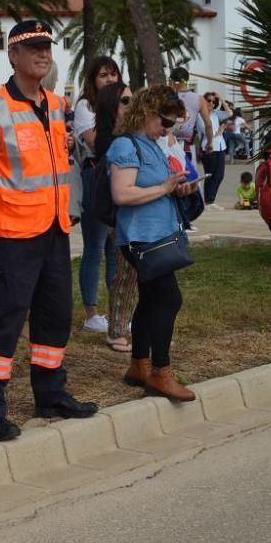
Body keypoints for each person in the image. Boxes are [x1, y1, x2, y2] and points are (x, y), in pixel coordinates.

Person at [0, 20, 99, 441]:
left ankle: (50, 394)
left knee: (54, 318)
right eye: (33, 47)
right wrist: (13, 202)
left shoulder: (56, 105)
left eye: (47, 47)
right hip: (11, 235)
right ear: (13, 55)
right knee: (3, 321)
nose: (43, 53)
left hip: (54, 230)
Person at [107, 85, 196, 402]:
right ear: (147, 112)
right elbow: (122, 194)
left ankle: (139, 365)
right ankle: (160, 371)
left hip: (156, 233)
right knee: (169, 300)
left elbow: (157, 186)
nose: (168, 129)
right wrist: (163, 187)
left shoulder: (151, 144)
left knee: (150, 299)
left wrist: (178, 188)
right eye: (166, 122)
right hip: (141, 237)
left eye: (173, 124)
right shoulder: (125, 146)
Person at [72, 57, 121, 334]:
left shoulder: (122, 104)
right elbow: (94, 141)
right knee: (95, 246)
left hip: (120, 176)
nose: (110, 80)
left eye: (113, 74)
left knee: (115, 248)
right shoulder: (85, 106)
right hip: (96, 176)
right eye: (103, 75)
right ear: (92, 79)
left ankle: (116, 309)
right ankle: (91, 313)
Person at [93, 81, 137, 353]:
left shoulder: (132, 135)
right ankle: (117, 331)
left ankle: (130, 324)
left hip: (139, 211)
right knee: (125, 272)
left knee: (134, 272)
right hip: (121, 214)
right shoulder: (110, 140)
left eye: (132, 100)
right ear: (112, 106)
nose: (131, 106)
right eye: (124, 101)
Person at [169, 67, 212, 179]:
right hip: (187, 145)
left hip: (168, 143)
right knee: (189, 179)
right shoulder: (199, 99)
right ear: (187, 80)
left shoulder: (166, 97)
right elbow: (208, 124)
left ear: (173, 81)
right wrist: (209, 143)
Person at [197, 92, 227, 208]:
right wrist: (218, 132)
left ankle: (211, 199)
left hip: (220, 146)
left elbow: (229, 113)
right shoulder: (200, 115)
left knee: (219, 175)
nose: (211, 103)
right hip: (209, 147)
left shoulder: (215, 114)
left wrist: (221, 98)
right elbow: (205, 131)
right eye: (208, 100)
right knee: (210, 174)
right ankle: (209, 200)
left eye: (214, 101)